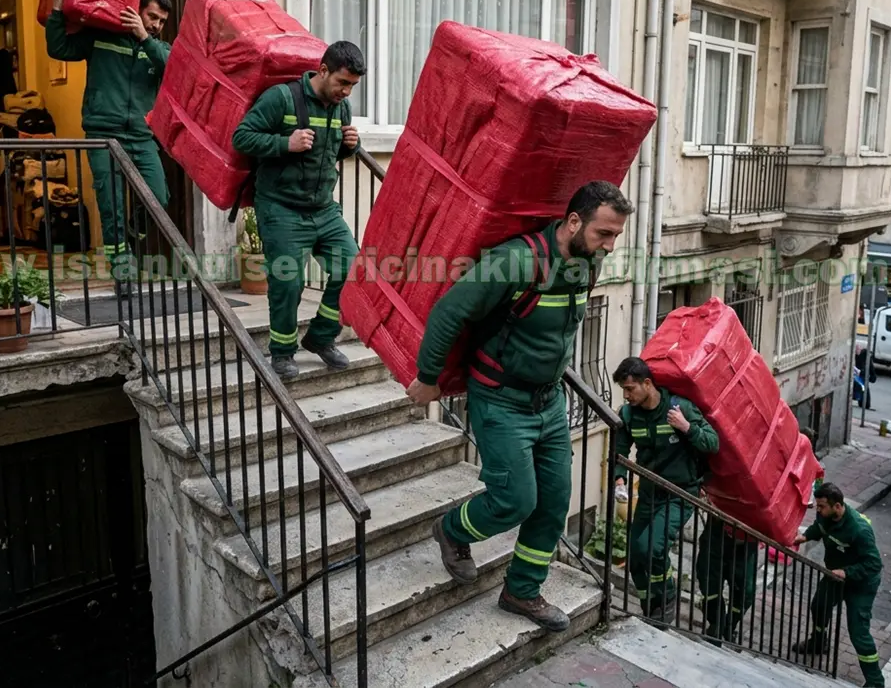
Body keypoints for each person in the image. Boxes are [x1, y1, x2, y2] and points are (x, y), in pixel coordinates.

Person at [406, 181, 633, 632]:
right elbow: (450, 312)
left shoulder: (588, 263)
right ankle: (451, 530)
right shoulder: (515, 262)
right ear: (573, 222)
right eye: (604, 233)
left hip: (549, 402)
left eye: (615, 236)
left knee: (554, 502)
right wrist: (429, 378)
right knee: (514, 500)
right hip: (500, 400)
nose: (610, 245)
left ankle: (522, 591)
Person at [232, 41, 365, 378]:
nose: (346, 92)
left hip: (323, 209)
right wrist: (284, 143)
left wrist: (351, 146)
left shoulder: (341, 109)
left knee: (354, 270)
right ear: (323, 70)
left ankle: (321, 337)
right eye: (342, 82)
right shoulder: (282, 98)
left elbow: (329, 153)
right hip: (281, 207)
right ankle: (282, 352)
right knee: (288, 281)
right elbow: (242, 137)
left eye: (352, 85)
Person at [46, 0, 172, 273]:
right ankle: (121, 269)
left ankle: (132, 234)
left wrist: (144, 38)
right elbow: (59, 48)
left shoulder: (159, 49)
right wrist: (56, 11)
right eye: (152, 16)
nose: (156, 25)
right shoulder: (102, 36)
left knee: (158, 197)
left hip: (141, 136)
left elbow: (172, 70)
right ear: (136, 11)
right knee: (111, 205)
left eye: (161, 21)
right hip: (103, 135)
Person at [611, 357, 719, 622]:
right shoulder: (629, 415)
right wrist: (619, 480)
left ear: (647, 384)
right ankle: (651, 606)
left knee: (652, 547)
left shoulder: (679, 408)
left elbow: (712, 443)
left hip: (680, 494)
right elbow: (619, 451)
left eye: (630, 389)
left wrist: (686, 427)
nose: (626, 395)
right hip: (649, 493)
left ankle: (668, 597)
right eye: (624, 390)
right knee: (636, 556)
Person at [792, 483, 885, 688]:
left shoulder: (860, 530)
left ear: (837, 506)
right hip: (835, 576)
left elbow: (874, 564)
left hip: (861, 584)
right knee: (819, 606)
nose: (818, 509)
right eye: (817, 505)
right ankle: (818, 642)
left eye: (822, 506)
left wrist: (847, 572)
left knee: (858, 632)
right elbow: (819, 528)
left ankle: (875, 682)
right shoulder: (825, 516)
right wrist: (805, 536)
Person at [695, 509, 759, 644]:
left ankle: (729, 627)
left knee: (745, 592)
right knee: (709, 581)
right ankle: (716, 624)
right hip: (717, 534)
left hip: (746, 546)